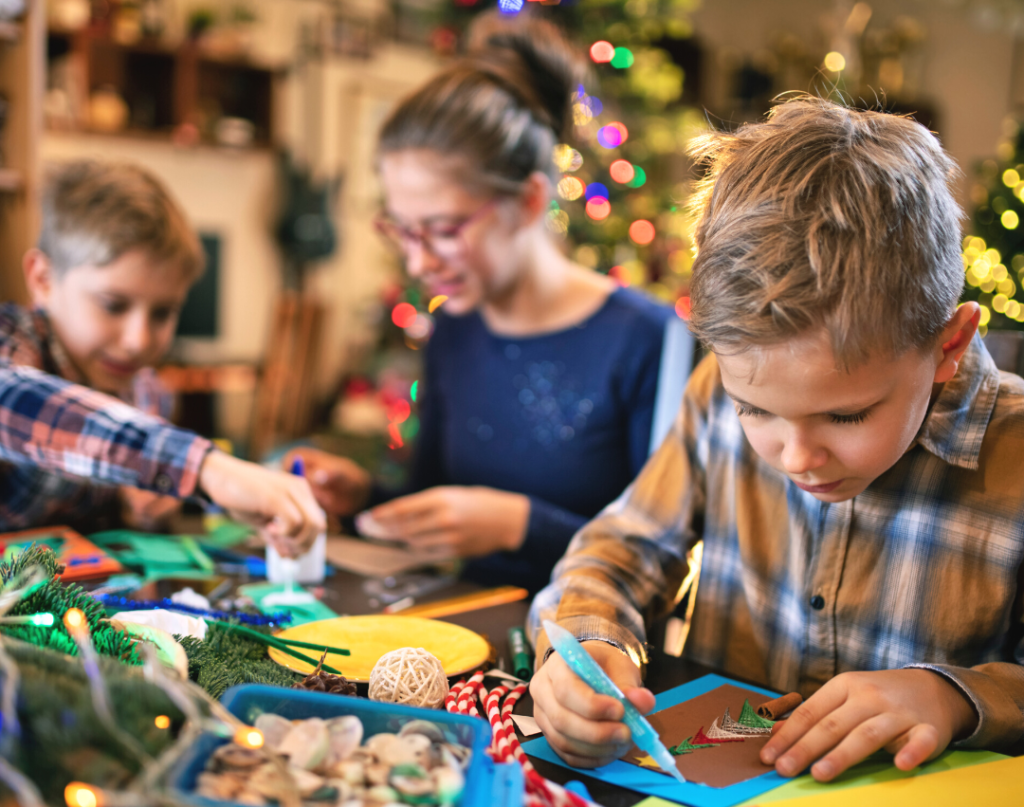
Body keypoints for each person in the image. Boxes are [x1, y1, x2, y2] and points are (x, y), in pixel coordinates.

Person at [527, 97, 1024, 781]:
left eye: (847, 416)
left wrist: (955, 696)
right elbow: (618, 550)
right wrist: (590, 643)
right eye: (754, 409)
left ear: (949, 344)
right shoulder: (711, 395)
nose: (797, 457)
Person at [288, 12, 673, 594]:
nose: (418, 263)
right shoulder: (455, 333)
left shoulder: (647, 339)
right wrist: (363, 497)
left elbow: (664, 558)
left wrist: (521, 527)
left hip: (592, 651)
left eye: (441, 229)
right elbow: (436, 504)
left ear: (528, 201)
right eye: (404, 230)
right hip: (461, 634)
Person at [0, 159, 324, 557]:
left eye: (163, 312)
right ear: (42, 280)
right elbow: (11, 398)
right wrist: (204, 468)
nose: (139, 341)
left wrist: (145, 508)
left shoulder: (147, 391)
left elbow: (119, 525)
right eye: (113, 304)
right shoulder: (13, 341)